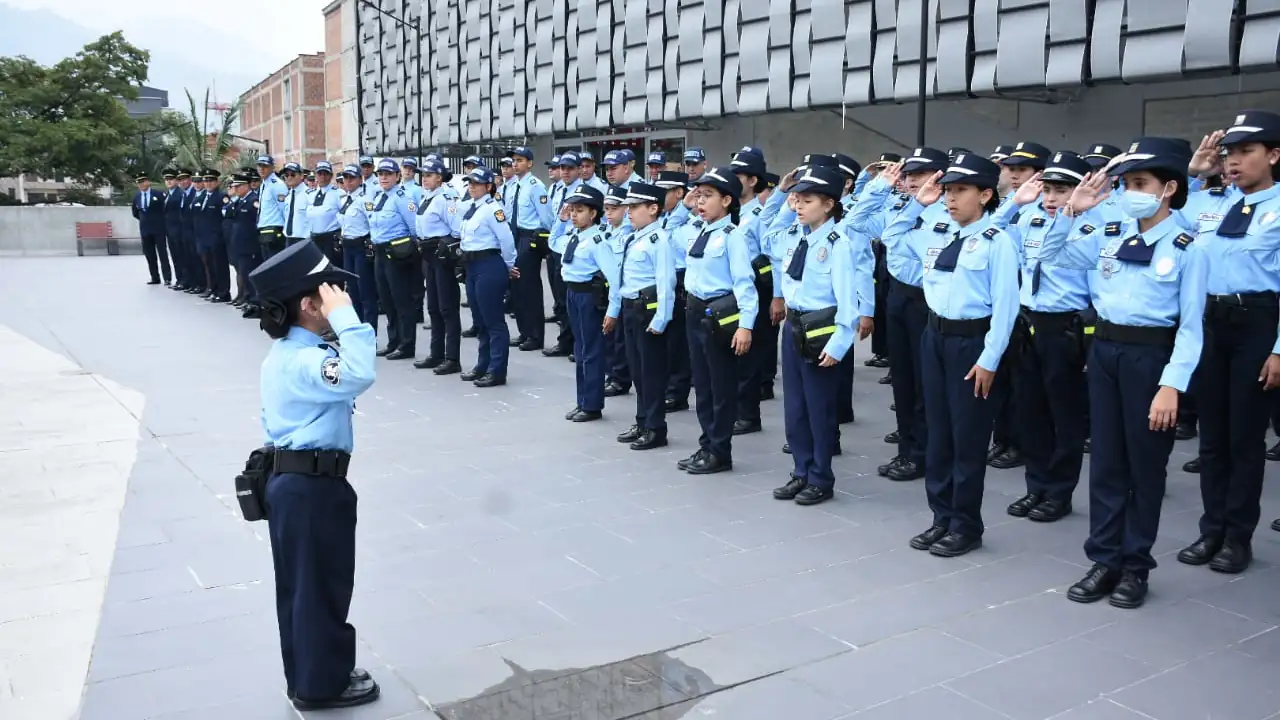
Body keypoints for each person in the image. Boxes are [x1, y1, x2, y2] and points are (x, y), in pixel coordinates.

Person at [1041, 137, 1207, 608]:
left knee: (1145, 467)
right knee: (1108, 463)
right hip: (1107, 352)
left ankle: (1136, 566)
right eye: (1126, 183)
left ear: (1169, 188)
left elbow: (1192, 328)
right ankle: (1104, 558)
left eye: (1140, 183)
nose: (1129, 191)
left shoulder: (1188, 246)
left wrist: (1171, 386)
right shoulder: (1111, 230)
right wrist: (1072, 213)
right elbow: (1055, 257)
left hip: (1152, 361)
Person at [249, 240, 379, 711]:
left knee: (306, 589)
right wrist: (347, 319)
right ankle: (322, 686)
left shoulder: (292, 352)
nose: (341, 298)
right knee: (319, 588)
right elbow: (360, 371)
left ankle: (312, 674)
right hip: (310, 488)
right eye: (332, 293)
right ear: (308, 305)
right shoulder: (304, 360)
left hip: (301, 484)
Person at [881, 152, 1020, 558]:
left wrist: (990, 359)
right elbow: (891, 238)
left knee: (968, 436)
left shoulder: (998, 242)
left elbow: (1006, 307)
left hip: (972, 344)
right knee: (938, 432)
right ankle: (941, 516)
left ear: (986, 194)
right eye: (948, 191)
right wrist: (916, 204)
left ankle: (965, 524)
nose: (950, 198)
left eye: (960, 191)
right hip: (935, 337)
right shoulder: (938, 231)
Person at [1174, 111, 1280, 575]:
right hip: (1209, 324)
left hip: (1257, 323)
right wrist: (1194, 177)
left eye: (1245, 152)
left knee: (1244, 437)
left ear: (1273, 155)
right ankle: (1210, 528)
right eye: (1229, 153)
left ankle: (1238, 536)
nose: (1233, 162)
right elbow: (1166, 227)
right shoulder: (1210, 202)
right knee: (1213, 437)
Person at [998, 151, 1095, 523]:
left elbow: (1095, 291)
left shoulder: (1090, 229)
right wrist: (1014, 203)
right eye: (1048, 190)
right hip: (1029, 322)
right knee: (1030, 411)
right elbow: (994, 235)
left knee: (1064, 415)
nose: (1051, 198)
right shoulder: (1030, 218)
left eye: (1061, 191)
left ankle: (1059, 491)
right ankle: (1035, 485)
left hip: (1064, 327)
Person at [766, 166, 866, 505]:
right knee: (795, 408)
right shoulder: (795, 235)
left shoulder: (839, 245)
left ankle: (821, 476)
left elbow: (847, 301)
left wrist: (839, 344)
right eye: (797, 199)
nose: (799, 206)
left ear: (828, 204)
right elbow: (766, 236)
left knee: (818, 409)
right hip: (793, 327)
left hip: (821, 331)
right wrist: (781, 197)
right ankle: (801, 470)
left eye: (807, 200)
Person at [850, 148, 947, 482]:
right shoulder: (898, 207)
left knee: (924, 382)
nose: (907, 182)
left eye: (916, 175)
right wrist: (878, 185)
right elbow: (855, 222)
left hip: (928, 301)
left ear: (938, 177)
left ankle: (923, 452)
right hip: (898, 296)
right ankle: (907, 448)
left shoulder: (947, 213)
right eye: (906, 176)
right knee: (902, 378)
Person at [680, 167, 758, 474]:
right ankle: (706, 444)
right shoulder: (700, 229)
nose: (700, 201)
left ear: (727, 201)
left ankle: (719, 451)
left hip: (720, 316)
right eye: (699, 195)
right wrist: (689, 204)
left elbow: (744, 283)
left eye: (708, 196)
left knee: (720, 386)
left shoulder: (733, 236)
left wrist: (746, 326)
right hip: (695, 312)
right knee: (702, 385)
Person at [610, 181, 677, 449]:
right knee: (637, 371)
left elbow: (666, 281)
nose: (629, 212)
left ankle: (655, 427)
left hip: (646, 311)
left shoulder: (657, 240)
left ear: (653, 209)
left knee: (650, 372)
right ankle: (642, 421)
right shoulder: (634, 236)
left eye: (635, 207)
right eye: (629, 207)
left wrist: (661, 318)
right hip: (630, 308)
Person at [550, 186, 619, 421]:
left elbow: (614, 277)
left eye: (580, 210)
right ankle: (582, 401)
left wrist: (613, 310)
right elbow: (553, 242)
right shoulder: (574, 235)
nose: (574, 214)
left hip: (589, 296)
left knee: (591, 350)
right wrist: (560, 221)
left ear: (593, 214)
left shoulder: (598, 240)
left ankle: (592, 404)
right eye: (572, 210)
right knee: (580, 349)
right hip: (572, 294)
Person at [457, 167, 518, 387]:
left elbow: (507, 240)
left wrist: (509, 265)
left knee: (493, 321)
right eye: (470, 183)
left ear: (489, 186)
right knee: (480, 321)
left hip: (489, 264)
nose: (472, 186)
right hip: (472, 266)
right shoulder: (473, 208)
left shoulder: (493, 209)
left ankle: (497, 370)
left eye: (477, 183)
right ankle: (483, 364)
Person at [413, 159, 463, 374]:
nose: (424, 178)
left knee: (447, 307)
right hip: (427, 254)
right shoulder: (427, 196)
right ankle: (436, 353)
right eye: (423, 174)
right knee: (433, 306)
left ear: (440, 178)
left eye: (429, 174)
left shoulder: (446, 198)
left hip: (441, 255)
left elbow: (457, 230)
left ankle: (452, 358)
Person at [504, 146, 554, 352]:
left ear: (530, 163)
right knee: (516, 287)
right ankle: (524, 331)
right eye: (513, 160)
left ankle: (535, 335)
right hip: (513, 236)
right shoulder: (513, 186)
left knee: (529, 288)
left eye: (520, 160)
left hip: (528, 237)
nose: (515, 164)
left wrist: (541, 240)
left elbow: (546, 217)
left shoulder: (535, 186)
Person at [336, 165, 378, 329]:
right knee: (352, 291)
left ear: (360, 180)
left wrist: (370, 244)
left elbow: (372, 223)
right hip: (348, 248)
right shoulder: (345, 199)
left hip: (361, 247)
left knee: (365, 292)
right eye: (345, 178)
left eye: (352, 178)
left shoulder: (365, 200)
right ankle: (356, 330)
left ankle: (369, 332)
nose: (348, 181)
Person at [602, 186, 634, 397]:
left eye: (614, 208)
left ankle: (620, 379)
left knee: (620, 338)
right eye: (606, 208)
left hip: (621, 292)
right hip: (604, 290)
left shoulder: (629, 234)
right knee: (609, 336)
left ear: (625, 209)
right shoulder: (606, 231)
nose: (609, 213)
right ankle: (612, 374)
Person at [229, 172, 264, 318]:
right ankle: (249, 299)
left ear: (247, 185)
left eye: (239, 186)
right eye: (234, 186)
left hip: (250, 245)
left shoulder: (253, 201)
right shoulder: (240, 200)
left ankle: (255, 302)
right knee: (243, 272)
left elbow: (256, 223)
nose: (235, 189)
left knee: (250, 273)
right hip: (240, 244)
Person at [131, 172, 171, 286]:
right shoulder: (137, 197)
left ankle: (167, 278)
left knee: (162, 254)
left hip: (159, 229)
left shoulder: (158, 194)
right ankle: (154, 277)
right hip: (145, 229)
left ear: (148, 182)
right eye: (139, 182)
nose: (142, 184)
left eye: (143, 181)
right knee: (150, 255)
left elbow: (165, 210)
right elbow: (135, 213)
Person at [193, 169, 225, 300]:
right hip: (203, 237)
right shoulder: (200, 197)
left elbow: (224, 219)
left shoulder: (221, 197)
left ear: (216, 182)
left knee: (219, 266)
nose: (208, 183)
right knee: (209, 265)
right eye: (206, 181)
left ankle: (223, 292)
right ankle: (212, 289)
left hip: (216, 237)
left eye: (211, 181)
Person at [307, 161, 345, 269]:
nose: (323, 176)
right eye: (320, 173)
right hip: (314, 240)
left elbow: (344, 217)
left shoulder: (339, 193)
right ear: (315, 175)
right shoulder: (310, 194)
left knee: (332, 272)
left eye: (326, 173)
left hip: (330, 240)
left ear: (331, 176)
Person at [257, 156, 290, 259]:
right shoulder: (264, 184)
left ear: (272, 168)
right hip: (264, 231)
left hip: (274, 231)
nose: (262, 169)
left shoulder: (276, 185)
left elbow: (284, 209)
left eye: (265, 166)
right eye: (259, 166)